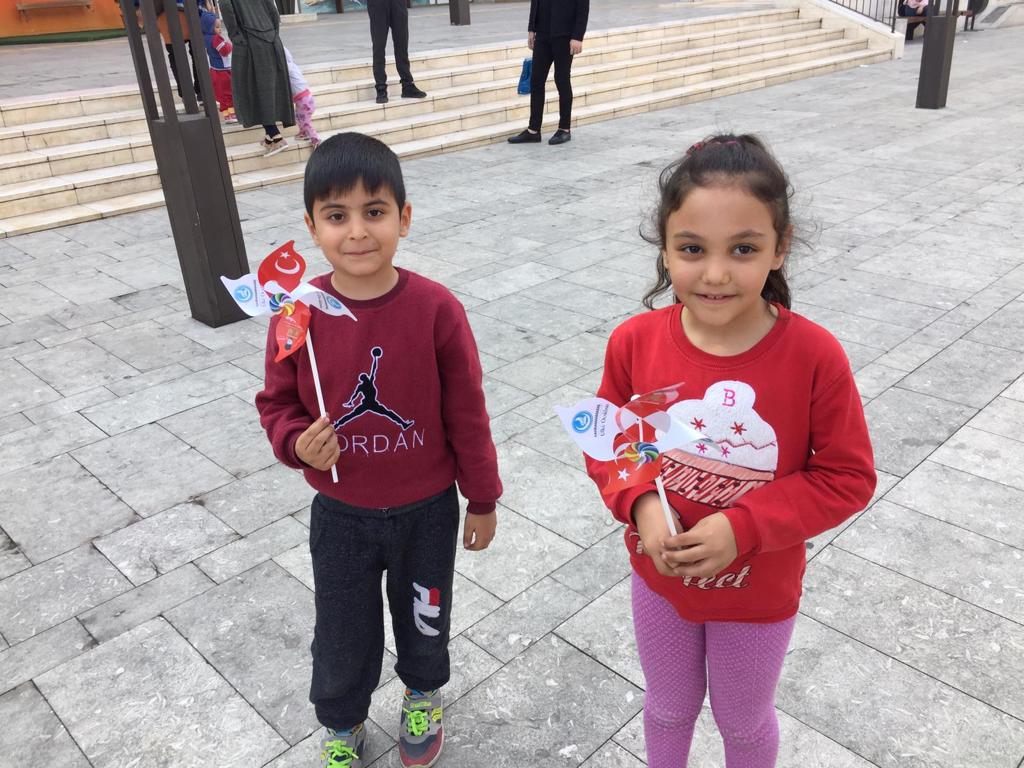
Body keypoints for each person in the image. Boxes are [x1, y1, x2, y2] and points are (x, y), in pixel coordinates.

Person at [584, 134, 876, 767]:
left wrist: (742, 527)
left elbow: (845, 476)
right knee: (667, 708)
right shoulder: (634, 342)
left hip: (757, 591)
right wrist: (642, 505)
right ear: (665, 248)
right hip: (660, 580)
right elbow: (610, 436)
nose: (715, 273)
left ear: (780, 247)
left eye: (743, 249)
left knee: (742, 723)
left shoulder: (813, 356)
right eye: (692, 249)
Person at [255, 132, 501, 768]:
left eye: (375, 211)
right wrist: (296, 443)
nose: (358, 231)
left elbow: (467, 410)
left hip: (427, 509)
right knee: (342, 627)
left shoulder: (436, 308)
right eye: (337, 216)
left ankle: (423, 693)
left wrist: (482, 497)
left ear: (404, 218)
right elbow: (276, 403)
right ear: (312, 226)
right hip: (341, 514)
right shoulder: (296, 315)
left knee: (425, 614)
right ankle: (343, 720)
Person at [507, 0, 589, 146]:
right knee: (536, 80)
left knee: (562, 80)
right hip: (542, 33)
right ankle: (533, 130)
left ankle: (564, 129)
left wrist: (578, 36)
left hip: (564, 35)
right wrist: (531, 28)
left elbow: (583, 7)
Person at [220, 0, 295, 156]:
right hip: (271, 39)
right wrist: (273, 33)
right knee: (268, 87)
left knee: (251, 88)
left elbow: (227, 10)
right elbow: (273, 12)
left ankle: (276, 136)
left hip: (249, 42)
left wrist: (237, 38)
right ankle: (269, 137)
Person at [367, 0, 427, 104]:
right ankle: (381, 88)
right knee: (379, 46)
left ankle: (407, 86)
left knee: (402, 44)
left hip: (398, 3)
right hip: (378, 4)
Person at [200, 8, 236, 122]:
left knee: (221, 94)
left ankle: (226, 114)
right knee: (228, 92)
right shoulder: (216, 39)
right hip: (222, 70)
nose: (220, 29)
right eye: (217, 27)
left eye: (220, 26)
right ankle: (232, 114)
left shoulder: (206, 38)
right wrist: (230, 45)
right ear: (209, 27)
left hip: (214, 69)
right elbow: (224, 51)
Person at [283, 45, 321, 147]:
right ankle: (303, 133)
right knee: (299, 117)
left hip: (303, 100)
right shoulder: (293, 66)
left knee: (305, 121)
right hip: (306, 98)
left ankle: (315, 139)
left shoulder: (287, 68)